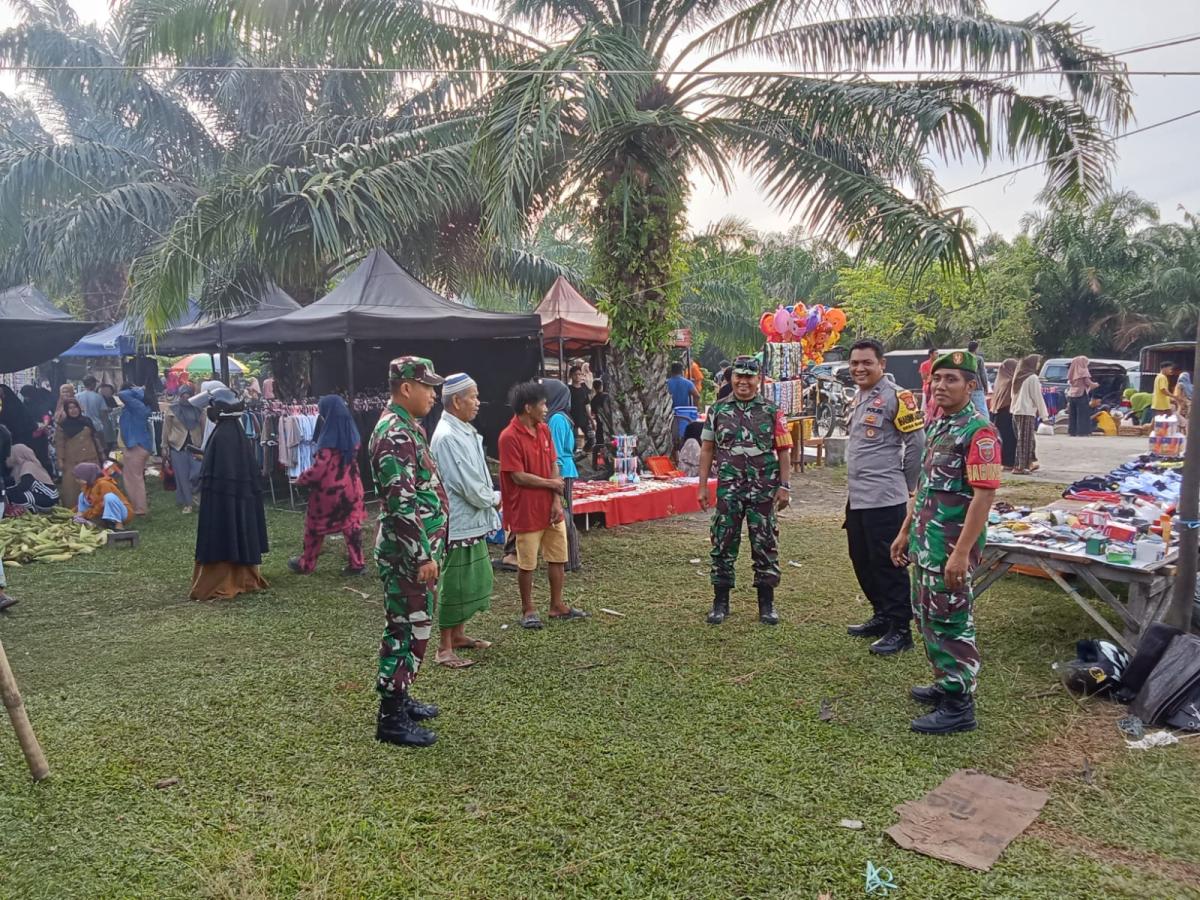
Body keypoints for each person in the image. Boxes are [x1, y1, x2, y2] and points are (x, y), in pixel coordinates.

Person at [890, 351, 1000, 735]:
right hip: (926, 543)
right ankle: (945, 682)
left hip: (951, 547)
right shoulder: (939, 426)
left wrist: (961, 553)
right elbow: (924, 490)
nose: (941, 386)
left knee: (951, 621)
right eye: (937, 379)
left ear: (971, 386)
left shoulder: (979, 431)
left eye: (951, 379)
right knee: (927, 616)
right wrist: (906, 530)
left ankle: (959, 705)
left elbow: (984, 497)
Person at [369, 357, 450, 748]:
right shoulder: (395, 435)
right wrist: (422, 556)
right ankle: (391, 718)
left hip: (414, 551)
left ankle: (401, 695)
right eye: (428, 387)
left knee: (411, 626)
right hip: (408, 556)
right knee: (406, 629)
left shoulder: (406, 428)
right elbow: (402, 504)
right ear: (405, 388)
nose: (434, 395)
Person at [843, 339, 926, 655]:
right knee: (861, 559)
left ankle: (900, 629)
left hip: (885, 497)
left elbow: (917, 443)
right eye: (855, 363)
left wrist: (906, 484)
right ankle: (881, 615)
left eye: (866, 363)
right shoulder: (860, 396)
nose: (859, 368)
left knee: (888, 563)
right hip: (859, 497)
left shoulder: (898, 397)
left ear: (882, 365)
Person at [697, 355, 793, 626]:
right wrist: (702, 486)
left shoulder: (773, 411)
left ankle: (766, 604)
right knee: (723, 543)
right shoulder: (717, 410)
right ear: (731, 378)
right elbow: (707, 450)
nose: (743, 381)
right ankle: (720, 602)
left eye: (749, 377)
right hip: (729, 490)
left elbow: (784, 451)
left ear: (758, 380)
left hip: (764, 490)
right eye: (739, 376)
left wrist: (784, 486)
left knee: (764, 543)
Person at [499, 380, 588, 631]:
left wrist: (556, 500)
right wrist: (552, 485)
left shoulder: (544, 430)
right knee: (526, 561)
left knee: (558, 556)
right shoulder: (509, 436)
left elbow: (553, 462)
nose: (547, 408)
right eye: (542, 404)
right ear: (528, 408)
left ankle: (557, 605)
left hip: (550, 507)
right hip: (526, 509)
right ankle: (528, 609)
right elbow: (517, 476)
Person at [430, 373, 501, 669]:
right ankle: (444, 647)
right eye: (472, 396)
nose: (477, 402)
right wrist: (493, 498)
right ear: (456, 401)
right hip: (458, 522)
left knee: (471, 579)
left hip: (471, 520)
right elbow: (466, 484)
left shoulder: (462, 430)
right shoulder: (447, 436)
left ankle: (458, 635)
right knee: (455, 584)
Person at [189, 384, 269, 601]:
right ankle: (240, 574)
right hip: (229, 498)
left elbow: (223, 474)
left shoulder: (224, 436)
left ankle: (226, 578)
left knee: (226, 527)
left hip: (223, 501)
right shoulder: (233, 433)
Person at [288, 395, 366, 576]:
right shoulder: (352, 433)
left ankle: (306, 564)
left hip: (330, 492)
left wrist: (301, 479)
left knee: (314, 528)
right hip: (352, 488)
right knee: (351, 525)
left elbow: (319, 469)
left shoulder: (329, 438)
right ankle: (358, 563)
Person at [544, 378, 583, 572]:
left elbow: (556, 452)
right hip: (565, 470)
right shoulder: (559, 417)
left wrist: (555, 480)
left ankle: (569, 558)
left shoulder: (556, 419)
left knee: (564, 512)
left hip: (563, 472)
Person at [161, 384, 206, 513]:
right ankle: (188, 503)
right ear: (179, 396)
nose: (185, 398)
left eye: (188, 396)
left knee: (197, 473)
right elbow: (166, 429)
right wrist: (164, 446)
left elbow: (203, 428)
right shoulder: (172, 409)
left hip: (195, 446)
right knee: (182, 476)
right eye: (183, 396)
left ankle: (195, 494)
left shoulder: (198, 409)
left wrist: (204, 444)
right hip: (177, 446)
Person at [55, 399, 106, 510]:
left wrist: (102, 454)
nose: (73, 410)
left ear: (79, 408)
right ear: (66, 410)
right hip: (72, 462)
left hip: (91, 459)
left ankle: (96, 510)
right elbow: (60, 444)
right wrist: (60, 460)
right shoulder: (63, 426)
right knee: (72, 489)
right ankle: (74, 512)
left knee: (93, 485)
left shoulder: (86, 421)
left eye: (75, 407)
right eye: (70, 408)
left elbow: (95, 438)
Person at [117, 383, 154, 516]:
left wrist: (136, 389)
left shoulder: (137, 405)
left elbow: (122, 394)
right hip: (139, 445)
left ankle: (139, 509)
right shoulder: (139, 406)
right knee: (134, 477)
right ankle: (138, 506)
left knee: (134, 478)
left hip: (136, 445)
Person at [1010, 354, 1047, 475]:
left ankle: (1027, 463)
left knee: (1024, 439)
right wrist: (1044, 416)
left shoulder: (1019, 377)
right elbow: (1037, 397)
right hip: (1026, 412)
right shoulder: (1032, 378)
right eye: (1037, 363)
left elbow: (1013, 395)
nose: (1038, 365)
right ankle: (1020, 466)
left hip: (1017, 411)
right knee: (1025, 441)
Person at [72, 462, 132, 529]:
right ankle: (82, 520)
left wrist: (87, 514)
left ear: (87, 476)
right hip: (101, 512)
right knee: (82, 495)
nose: (77, 480)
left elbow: (102, 504)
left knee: (109, 497)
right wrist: (74, 512)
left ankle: (118, 525)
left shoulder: (103, 484)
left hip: (122, 513)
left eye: (79, 478)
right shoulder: (88, 486)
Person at [5, 443, 59, 512]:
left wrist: (7, 492)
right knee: (12, 494)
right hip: (43, 495)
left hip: (50, 497)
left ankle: (31, 510)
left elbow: (24, 486)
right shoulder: (19, 468)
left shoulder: (28, 465)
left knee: (15, 496)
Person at [989, 358, 1018, 469]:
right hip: (1008, 413)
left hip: (998, 413)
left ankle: (1003, 461)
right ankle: (1008, 462)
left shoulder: (999, 380)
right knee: (1009, 439)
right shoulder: (1011, 381)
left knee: (1002, 439)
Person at [1065, 356, 1098, 437]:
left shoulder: (1072, 372)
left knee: (1073, 414)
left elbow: (1070, 382)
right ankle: (1082, 432)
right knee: (1082, 414)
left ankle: (1072, 431)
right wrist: (1095, 384)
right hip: (1081, 394)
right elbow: (1088, 382)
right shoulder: (1083, 371)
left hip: (1072, 395)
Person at [567, 365, 594, 451]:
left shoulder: (584, 388)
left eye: (579, 374)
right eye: (575, 374)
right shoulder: (568, 389)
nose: (578, 376)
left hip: (584, 418)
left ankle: (584, 454)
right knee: (572, 442)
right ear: (571, 375)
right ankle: (573, 458)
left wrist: (591, 419)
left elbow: (587, 404)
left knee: (591, 439)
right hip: (571, 419)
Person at [966, 340, 988, 418]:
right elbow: (983, 374)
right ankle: (986, 427)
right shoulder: (978, 359)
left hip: (965, 388)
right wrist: (986, 387)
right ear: (976, 348)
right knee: (982, 411)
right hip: (977, 388)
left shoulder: (964, 358)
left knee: (968, 411)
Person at [590, 379, 613, 450]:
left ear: (594, 387)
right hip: (609, 424)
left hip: (599, 424)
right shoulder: (607, 396)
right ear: (602, 386)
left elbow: (593, 412)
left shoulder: (593, 400)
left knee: (600, 444)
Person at [97, 383, 120, 453]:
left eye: (109, 391)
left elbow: (115, 409)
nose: (107, 393)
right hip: (100, 427)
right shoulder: (97, 399)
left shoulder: (111, 399)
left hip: (110, 427)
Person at [919, 348, 939, 423]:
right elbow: (924, 377)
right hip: (927, 388)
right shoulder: (924, 364)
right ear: (931, 355)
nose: (938, 355)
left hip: (936, 388)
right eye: (936, 353)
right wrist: (932, 377)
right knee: (924, 406)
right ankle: (920, 421)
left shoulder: (939, 364)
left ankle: (933, 420)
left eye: (938, 353)